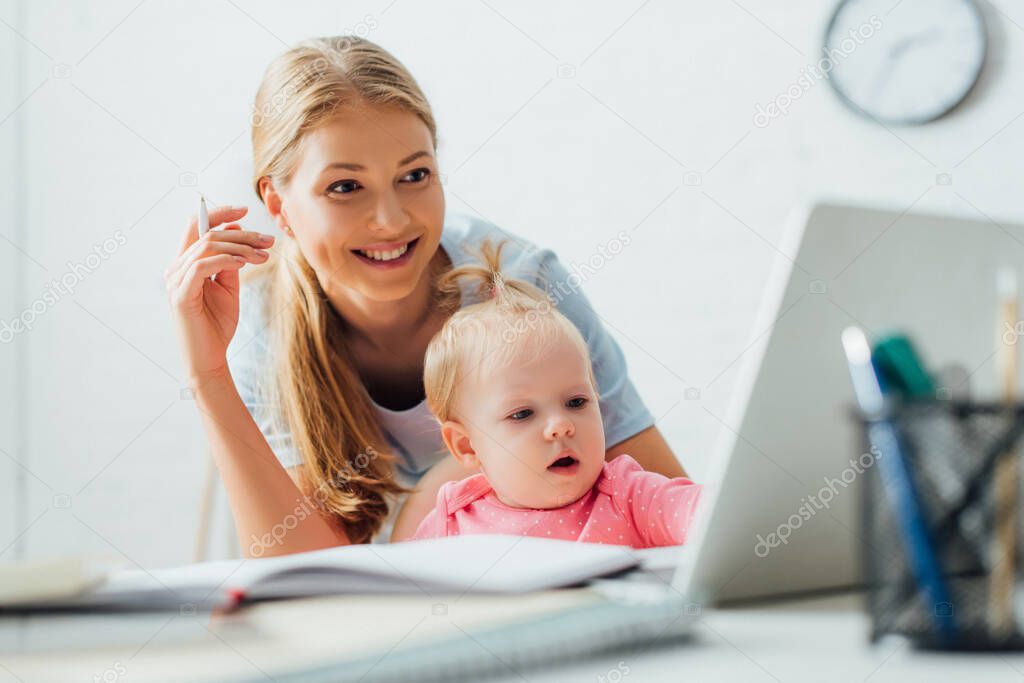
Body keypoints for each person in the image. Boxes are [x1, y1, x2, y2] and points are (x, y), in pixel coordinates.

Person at [164, 35, 685, 557]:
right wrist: (208, 376)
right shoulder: (262, 328)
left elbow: (671, 524)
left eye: (415, 175)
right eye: (345, 187)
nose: (391, 220)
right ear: (277, 205)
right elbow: (305, 573)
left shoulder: (527, 287)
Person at [408, 238, 702, 548]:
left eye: (576, 402)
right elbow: (402, 586)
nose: (561, 425)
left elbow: (705, 515)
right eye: (522, 414)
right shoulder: (452, 522)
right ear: (467, 445)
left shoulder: (628, 495)